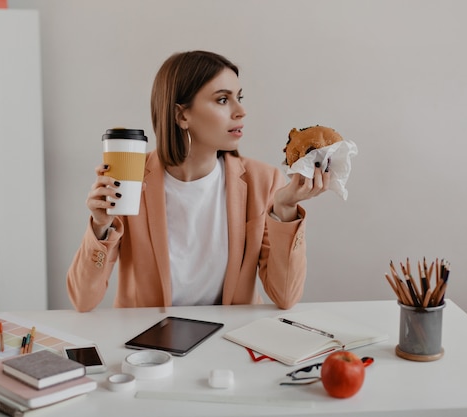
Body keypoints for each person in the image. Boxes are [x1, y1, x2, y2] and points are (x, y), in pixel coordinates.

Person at [67, 50, 330, 312]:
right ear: (182, 116)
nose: (241, 111)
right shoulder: (130, 180)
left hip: (230, 338)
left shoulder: (262, 180)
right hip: (149, 342)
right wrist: (100, 227)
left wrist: (284, 210)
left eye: (238, 98)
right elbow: (82, 299)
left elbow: (285, 297)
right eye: (223, 100)